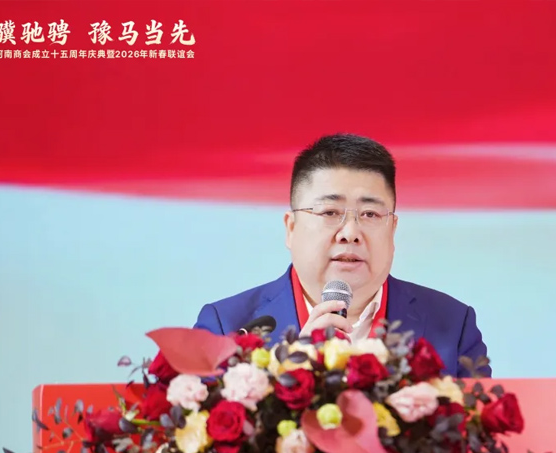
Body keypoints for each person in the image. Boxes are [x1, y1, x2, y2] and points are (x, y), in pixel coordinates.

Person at [193, 133, 491, 378]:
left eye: (370, 214)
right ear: (291, 228)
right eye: (330, 212)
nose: (350, 232)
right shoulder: (226, 327)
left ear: (392, 229)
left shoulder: (453, 325)